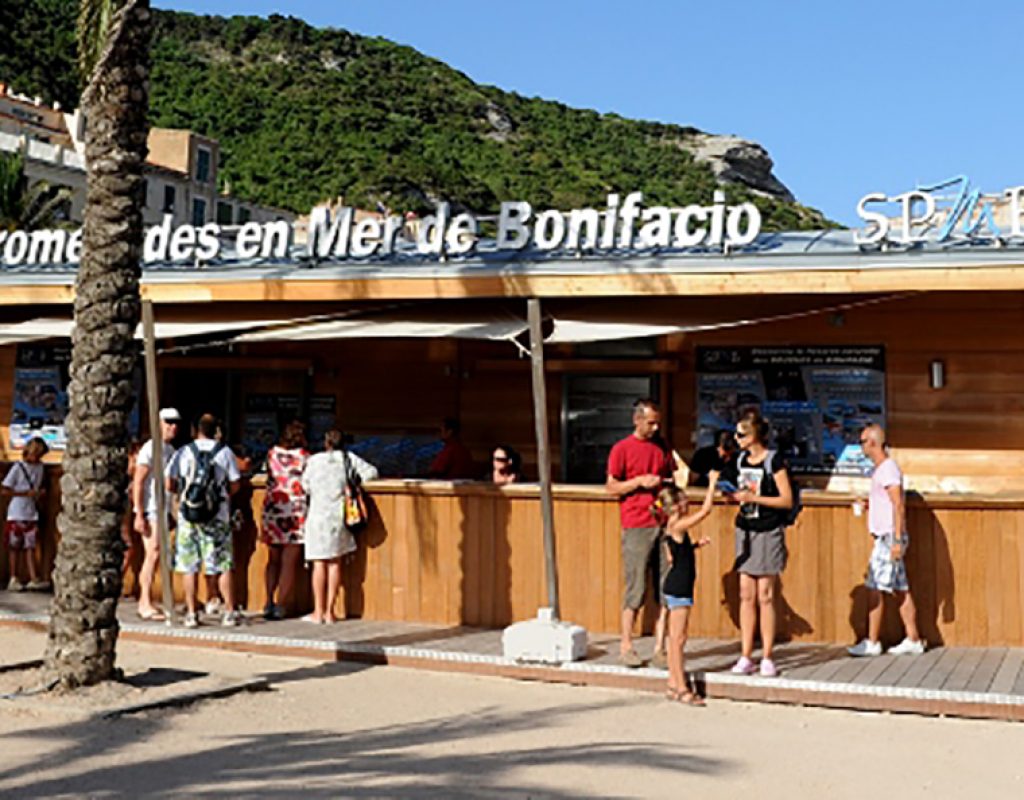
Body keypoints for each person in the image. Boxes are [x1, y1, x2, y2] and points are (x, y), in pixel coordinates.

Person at [606, 398, 684, 668]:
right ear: (636, 420)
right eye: (650, 422)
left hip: (663, 523)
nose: (654, 427)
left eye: (657, 423)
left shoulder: (662, 446)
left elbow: (675, 478)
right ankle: (626, 645)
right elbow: (611, 486)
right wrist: (639, 481)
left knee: (666, 586)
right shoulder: (621, 449)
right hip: (636, 523)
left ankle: (661, 648)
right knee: (636, 586)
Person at [724, 409, 794, 677]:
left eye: (741, 434)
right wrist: (732, 496)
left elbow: (786, 499)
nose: (737, 438)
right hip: (745, 529)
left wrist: (755, 499)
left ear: (754, 436)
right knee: (746, 594)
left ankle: (767, 655)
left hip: (767, 529)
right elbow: (729, 483)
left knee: (765, 594)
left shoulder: (773, 462)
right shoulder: (740, 459)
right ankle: (745, 655)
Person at [848, 424, 925, 657]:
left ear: (872, 442)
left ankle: (872, 641)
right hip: (888, 536)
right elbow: (888, 502)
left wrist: (898, 539)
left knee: (874, 588)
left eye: (862, 441)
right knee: (901, 588)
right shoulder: (881, 470)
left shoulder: (888, 469)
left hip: (888, 537)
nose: (861, 446)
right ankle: (913, 638)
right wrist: (869, 505)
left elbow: (898, 504)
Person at [167, 413, 241, 628]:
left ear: (195, 430)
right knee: (222, 564)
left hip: (188, 516)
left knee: (189, 566)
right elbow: (235, 484)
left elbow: (169, 482)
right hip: (218, 515)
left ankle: (192, 613)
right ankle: (228, 612)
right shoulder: (224, 452)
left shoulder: (184, 452)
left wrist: (184, 494)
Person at [301, 429, 379, 624]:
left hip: (317, 515)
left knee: (319, 563)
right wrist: (353, 484)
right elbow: (372, 473)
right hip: (339, 516)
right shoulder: (348, 458)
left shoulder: (314, 461)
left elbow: (305, 486)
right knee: (335, 563)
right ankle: (330, 612)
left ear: (326, 443)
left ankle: (317, 612)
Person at [655, 473, 719, 705]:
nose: (687, 502)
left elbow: (674, 556)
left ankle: (674, 683)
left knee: (676, 638)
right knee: (678, 639)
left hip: (677, 583)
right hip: (680, 586)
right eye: (682, 500)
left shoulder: (671, 528)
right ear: (675, 506)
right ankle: (681, 686)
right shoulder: (679, 524)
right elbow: (705, 512)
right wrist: (711, 484)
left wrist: (694, 547)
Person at [131, 407, 181, 620]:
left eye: (175, 423)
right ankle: (144, 601)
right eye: (168, 422)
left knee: (160, 554)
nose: (172, 427)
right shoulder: (150, 449)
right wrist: (138, 512)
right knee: (152, 553)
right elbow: (139, 481)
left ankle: (159, 599)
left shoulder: (170, 450)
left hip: (164, 508)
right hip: (151, 507)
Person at [260, 420, 310, 620]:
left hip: (273, 508)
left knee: (273, 560)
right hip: (295, 511)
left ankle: (267, 601)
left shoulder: (272, 453)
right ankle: (281, 605)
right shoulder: (305, 457)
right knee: (289, 561)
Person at [2, 437, 49, 591]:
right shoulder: (18, 468)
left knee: (30, 546)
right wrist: (24, 493)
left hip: (31, 512)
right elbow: (5, 489)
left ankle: (33, 577)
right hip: (17, 511)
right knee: (14, 547)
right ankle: (13, 577)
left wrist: (39, 494)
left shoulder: (40, 468)